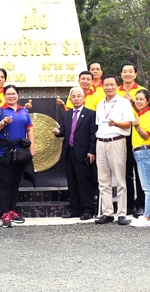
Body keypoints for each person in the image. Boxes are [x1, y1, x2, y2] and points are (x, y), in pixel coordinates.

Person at [0, 85, 35, 228]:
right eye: (8, 94)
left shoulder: (24, 111)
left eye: (14, 93)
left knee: (15, 183)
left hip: (20, 153)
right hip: (4, 153)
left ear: (18, 95)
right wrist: (4, 122)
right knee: (5, 183)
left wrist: (31, 147)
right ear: (4, 96)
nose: (11, 96)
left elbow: (30, 129)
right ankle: (4, 213)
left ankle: (11, 209)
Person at [52, 87, 97, 220]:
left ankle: (88, 210)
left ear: (83, 98)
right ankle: (75, 209)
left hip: (83, 153)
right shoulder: (66, 114)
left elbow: (93, 135)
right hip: (69, 152)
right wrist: (58, 132)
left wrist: (91, 151)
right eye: (73, 97)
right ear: (70, 99)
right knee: (72, 182)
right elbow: (64, 130)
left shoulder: (91, 114)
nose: (76, 99)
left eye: (78, 96)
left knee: (84, 183)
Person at [94, 75, 133, 225]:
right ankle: (107, 212)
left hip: (116, 141)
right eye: (106, 85)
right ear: (102, 86)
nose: (109, 87)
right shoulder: (99, 104)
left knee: (120, 179)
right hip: (101, 142)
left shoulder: (123, 103)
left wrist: (116, 123)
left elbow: (128, 124)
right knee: (103, 180)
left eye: (112, 84)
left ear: (117, 86)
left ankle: (122, 213)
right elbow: (99, 125)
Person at [119, 62, 146, 217]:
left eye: (131, 71)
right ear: (121, 74)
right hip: (122, 135)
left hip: (138, 134)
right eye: (124, 71)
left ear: (135, 74)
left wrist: (131, 102)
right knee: (126, 172)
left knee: (140, 171)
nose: (127, 74)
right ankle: (129, 204)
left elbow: (145, 111)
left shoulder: (141, 91)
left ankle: (141, 204)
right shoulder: (115, 91)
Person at [129, 89, 150, 227]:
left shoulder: (148, 116)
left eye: (141, 99)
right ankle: (147, 214)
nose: (138, 102)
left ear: (148, 101)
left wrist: (138, 127)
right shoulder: (141, 114)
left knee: (147, 187)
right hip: (139, 152)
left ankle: (148, 217)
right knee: (146, 186)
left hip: (144, 151)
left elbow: (146, 135)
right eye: (137, 99)